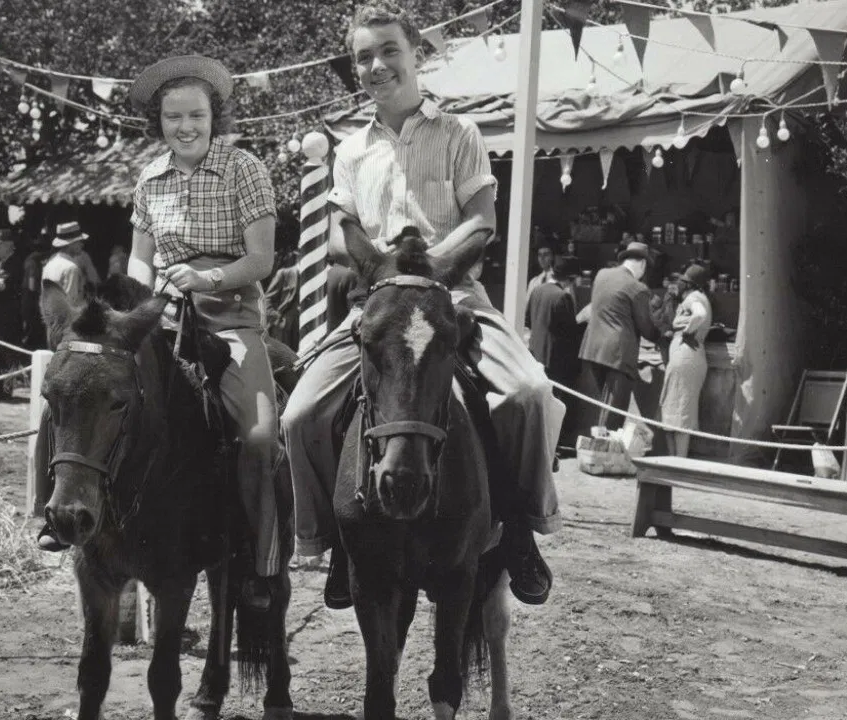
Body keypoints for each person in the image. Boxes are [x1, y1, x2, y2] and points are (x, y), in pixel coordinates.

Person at [282, 3, 564, 610]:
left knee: (529, 395)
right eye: (364, 56)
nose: (377, 65)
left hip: (452, 297)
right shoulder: (350, 151)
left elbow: (483, 221)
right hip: (377, 306)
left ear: (415, 54)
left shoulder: (460, 134)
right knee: (299, 416)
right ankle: (329, 540)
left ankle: (521, 528)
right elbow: (340, 231)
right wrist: (382, 265)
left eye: (388, 50)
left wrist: (428, 266)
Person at [37, 56, 284, 613]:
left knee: (260, 435)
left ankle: (260, 559)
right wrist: (136, 309)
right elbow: (143, 262)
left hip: (230, 315)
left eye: (196, 114)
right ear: (160, 122)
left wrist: (206, 277)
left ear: (213, 116)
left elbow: (262, 258)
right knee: (74, 391)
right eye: (174, 117)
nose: (186, 126)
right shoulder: (150, 177)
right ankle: (54, 514)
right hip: (159, 315)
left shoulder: (246, 169)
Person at [576, 241, 662, 434]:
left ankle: (599, 450)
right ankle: (605, 455)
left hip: (594, 350)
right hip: (619, 355)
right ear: (642, 264)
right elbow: (646, 327)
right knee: (614, 413)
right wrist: (661, 335)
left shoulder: (601, 275)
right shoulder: (637, 288)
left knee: (603, 407)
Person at [525, 254, 581, 454]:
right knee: (556, 404)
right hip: (556, 358)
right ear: (568, 279)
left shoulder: (537, 291)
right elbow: (571, 331)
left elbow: (528, 321)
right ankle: (553, 444)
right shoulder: (563, 296)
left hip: (536, 353)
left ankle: (540, 442)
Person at [659, 263, 713, 457]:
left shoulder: (694, 298)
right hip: (686, 358)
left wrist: (688, 331)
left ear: (690, 284)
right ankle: (675, 459)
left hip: (686, 357)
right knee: (675, 409)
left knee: (679, 412)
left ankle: (678, 460)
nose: (680, 284)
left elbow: (700, 314)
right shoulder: (695, 298)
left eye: (683, 281)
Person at [0, 228, 24, 400]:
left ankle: (6, 389)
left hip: (9, 315)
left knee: (7, 351)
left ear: (9, 245)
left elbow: (3, 284)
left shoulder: (15, 262)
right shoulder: (0, 263)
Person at [40, 221, 94, 306]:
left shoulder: (49, 264)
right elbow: (70, 304)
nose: (82, 245)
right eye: (79, 241)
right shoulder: (71, 268)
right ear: (70, 244)